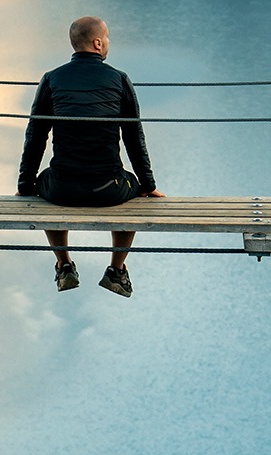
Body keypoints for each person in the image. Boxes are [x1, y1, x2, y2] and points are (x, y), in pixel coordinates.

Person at [17, 16, 164, 297]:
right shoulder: (119, 79)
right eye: (107, 37)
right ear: (97, 43)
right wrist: (148, 185)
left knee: (44, 182)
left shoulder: (51, 78)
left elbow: (35, 137)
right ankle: (117, 271)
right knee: (135, 191)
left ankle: (63, 264)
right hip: (108, 189)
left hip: (61, 189)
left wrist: (25, 186)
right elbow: (135, 139)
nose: (108, 42)